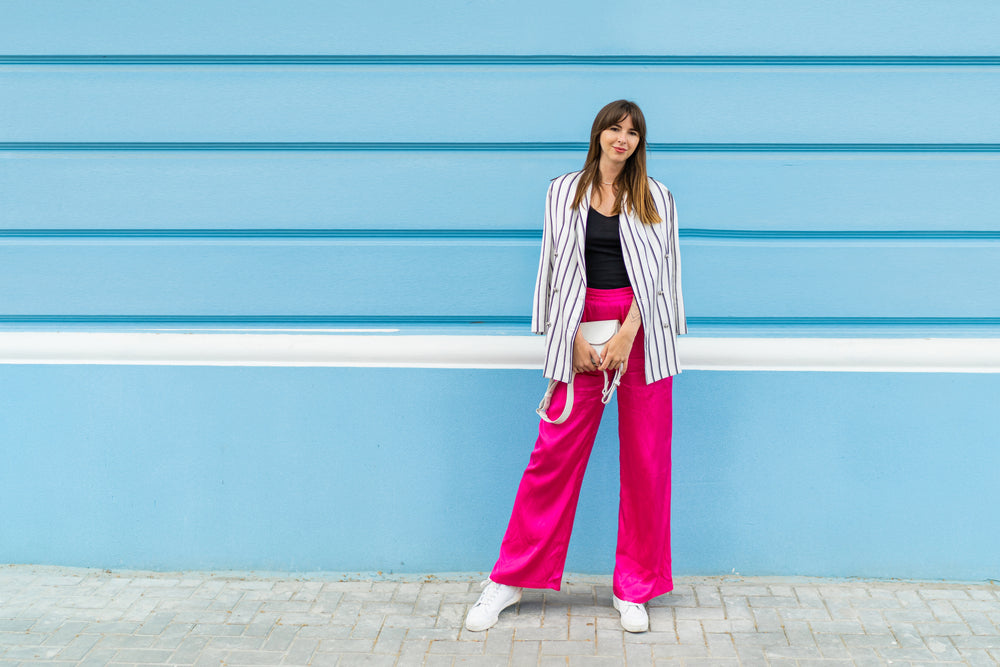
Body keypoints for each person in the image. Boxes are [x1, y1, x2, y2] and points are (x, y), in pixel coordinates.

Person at [465, 100, 686, 634]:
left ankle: (635, 588)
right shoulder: (563, 191)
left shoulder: (658, 197)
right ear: (599, 133)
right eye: (615, 128)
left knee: (647, 462)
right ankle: (510, 578)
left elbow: (660, 274)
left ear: (640, 142)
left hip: (641, 331)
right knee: (553, 455)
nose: (623, 138)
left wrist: (630, 331)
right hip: (579, 329)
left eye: (633, 132)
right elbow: (554, 268)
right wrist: (565, 340)